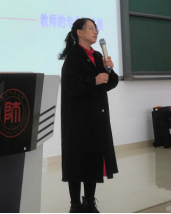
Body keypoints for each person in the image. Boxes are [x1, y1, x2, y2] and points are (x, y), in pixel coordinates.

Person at [59, 18, 119, 214]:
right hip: (77, 120)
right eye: (91, 28)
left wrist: (109, 70)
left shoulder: (97, 56)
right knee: (77, 161)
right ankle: (75, 205)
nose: (95, 32)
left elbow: (109, 83)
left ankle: (90, 202)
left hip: (96, 119)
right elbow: (70, 86)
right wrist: (93, 80)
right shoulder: (73, 57)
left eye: (96, 28)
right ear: (79, 32)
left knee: (93, 159)